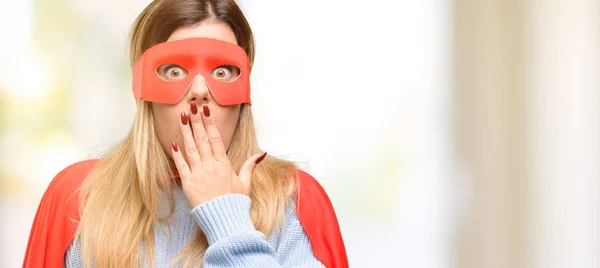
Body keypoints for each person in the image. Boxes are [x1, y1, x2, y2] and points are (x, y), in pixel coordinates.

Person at [22, 0, 348, 267]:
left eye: (222, 71)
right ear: (141, 86)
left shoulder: (293, 199)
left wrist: (230, 221)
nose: (201, 90)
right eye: (174, 71)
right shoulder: (80, 197)